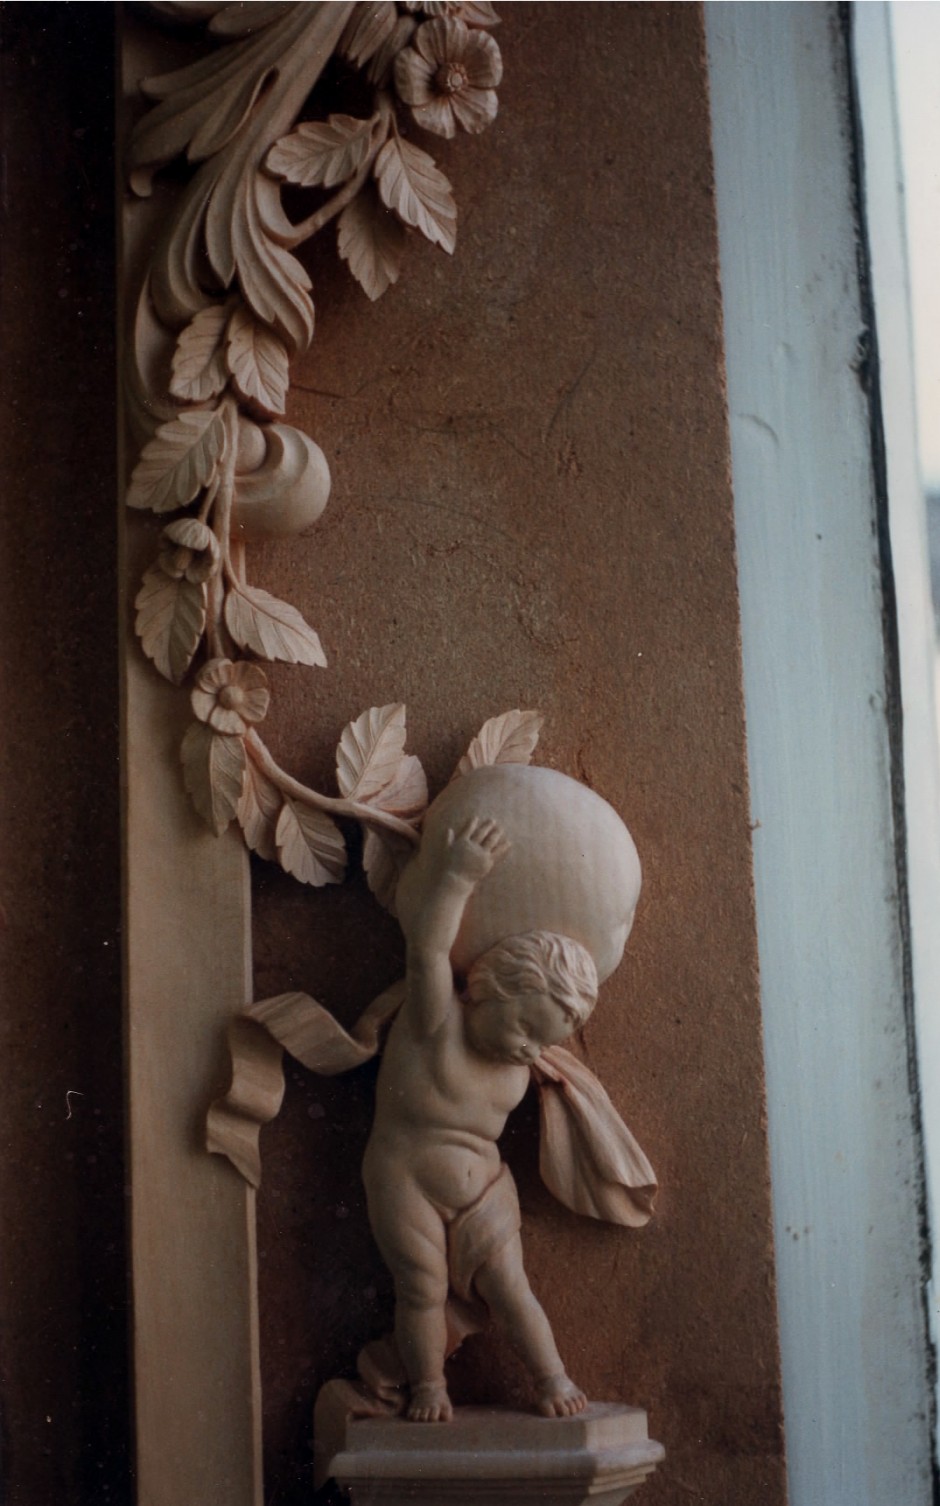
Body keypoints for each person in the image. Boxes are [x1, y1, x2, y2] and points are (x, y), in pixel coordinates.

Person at [362, 814, 597, 1423]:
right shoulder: (436, 1022)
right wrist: (458, 878)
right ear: (488, 988)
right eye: (523, 1028)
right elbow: (429, 948)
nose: (527, 1049)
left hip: (485, 1193)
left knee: (513, 1290)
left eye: (539, 1041)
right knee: (420, 1287)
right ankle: (428, 1387)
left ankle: (551, 1378)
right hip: (405, 1179)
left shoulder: (519, 1068)